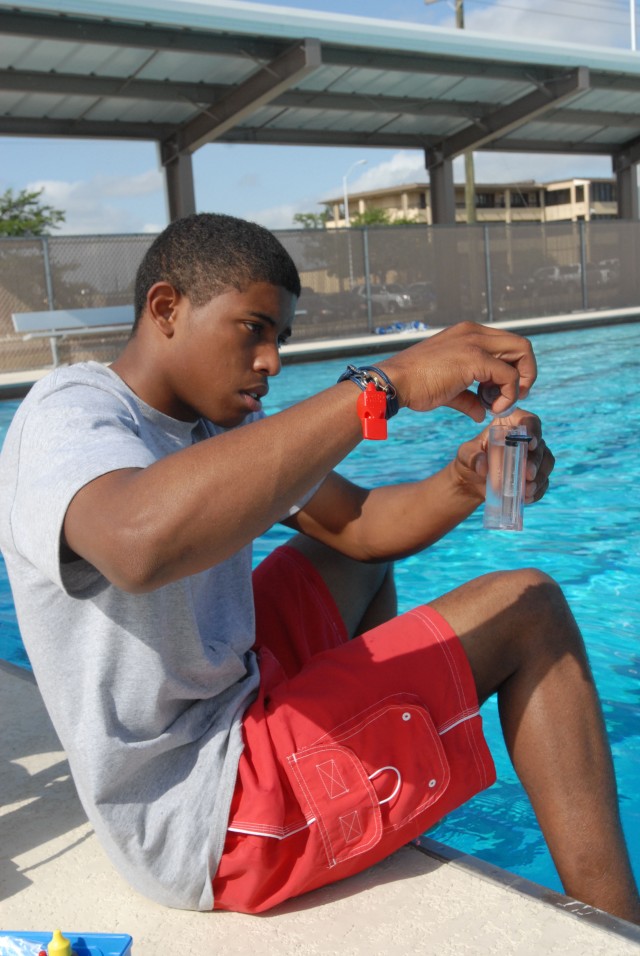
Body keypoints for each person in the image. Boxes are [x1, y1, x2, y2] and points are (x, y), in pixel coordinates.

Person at [0, 213, 638, 922]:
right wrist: (384, 382)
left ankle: (350, 773)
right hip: (199, 812)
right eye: (254, 328)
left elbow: (361, 528)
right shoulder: (69, 414)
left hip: (233, 708)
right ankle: (622, 928)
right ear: (166, 308)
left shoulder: (217, 427)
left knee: (346, 561)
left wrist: (468, 481)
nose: (272, 359)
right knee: (531, 607)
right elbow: (136, 543)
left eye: (281, 338)